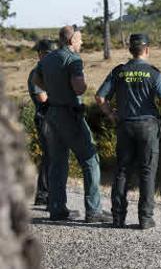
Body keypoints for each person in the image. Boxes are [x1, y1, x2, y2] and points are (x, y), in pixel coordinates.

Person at [95, 34, 161, 230]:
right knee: (147, 172)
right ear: (147, 50)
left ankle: (118, 218)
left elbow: (100, 97)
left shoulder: (119, 72)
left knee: (122, 171)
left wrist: (111, 115)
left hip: (125, 126)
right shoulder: (154, 73)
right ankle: (145, 219)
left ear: (130, 50)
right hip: (148, 127)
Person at [34, 26, 110, 223]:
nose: (82, 43)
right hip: (70, 113)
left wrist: (53, 88)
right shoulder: (73, 59)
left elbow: (36, 80)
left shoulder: (47, 58)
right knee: (90, 159)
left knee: (58, 163)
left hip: (52, 114)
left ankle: (57, 209)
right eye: (79, 39)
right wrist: (84, 85)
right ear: (70, 41)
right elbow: (78, 88)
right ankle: (93, 211)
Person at [28, 39, 57, 206]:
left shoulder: (47, 71)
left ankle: (43, 193)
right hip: (44, 118)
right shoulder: (36, 73)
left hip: (51, 118)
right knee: (51, 157)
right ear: (40, 55)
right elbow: (42, 98)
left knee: (51, 157)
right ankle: (44, 194)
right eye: (47, 54)